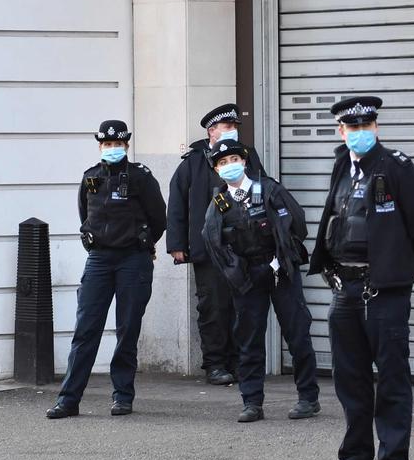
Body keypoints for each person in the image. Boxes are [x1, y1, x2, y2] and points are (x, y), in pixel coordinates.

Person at [309, 96, 414, 460]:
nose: (360, 133)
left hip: (384, 292)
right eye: (352, 128)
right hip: (345, 290)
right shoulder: (341, 166)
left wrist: (399, 274)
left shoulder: (397, 167)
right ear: (340, 131)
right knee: (350, 380)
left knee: (393, 379)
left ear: (376, 129)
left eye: (367, 127)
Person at [46, 120, 167, 419]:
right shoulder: (91, 178)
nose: (112, 149)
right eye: (107, 145)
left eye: (117, 144)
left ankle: (122, 396)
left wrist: (143, 243)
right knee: (86, 329)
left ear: (126, 145)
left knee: (127, 329)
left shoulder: (141, 177)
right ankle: (69, 399)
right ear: (100, 146)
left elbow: (158, 218)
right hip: (99, 260)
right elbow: (85, 215)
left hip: (133, 260)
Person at [201, 139, 319, 423]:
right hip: (247, 279)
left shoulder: (269, 189)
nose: (230, 166)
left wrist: (281, 258)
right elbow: (212, 242)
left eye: (234, 160)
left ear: (244, 162)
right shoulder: (219, 204)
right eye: (223, 163)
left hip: (281, 271)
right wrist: (236, 272)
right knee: (248, 340)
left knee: (297, 333)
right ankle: (252, 402)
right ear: (216, 169)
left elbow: (298, 223)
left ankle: (308, 398)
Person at [166, 103, 264, 386]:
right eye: (227, 127)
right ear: (212, 131)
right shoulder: (193, 163)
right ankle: (216, 363)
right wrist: (177, 244)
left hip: (244, 247)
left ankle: (241, 362)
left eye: (234, 127)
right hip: (209, 249)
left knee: (244, 306)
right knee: (214, 307)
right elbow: (177, 204)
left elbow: (262, 190)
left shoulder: (247, 157)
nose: (233, 132)